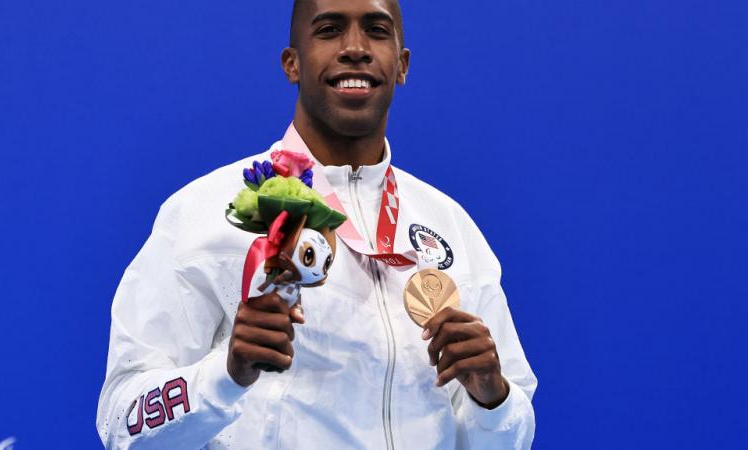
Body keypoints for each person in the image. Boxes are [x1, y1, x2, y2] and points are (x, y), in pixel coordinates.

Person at [96, 0, 537, 448]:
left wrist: (492, 400)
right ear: (292, 63)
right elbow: (121, 420)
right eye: (329, 30)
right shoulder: (205, 212)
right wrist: (223, 378)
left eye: (377, 30)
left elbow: (511, 434)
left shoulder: (450, 226)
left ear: (401, 65)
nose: (355, 48)